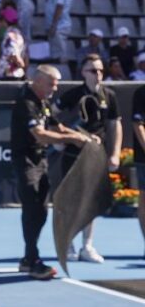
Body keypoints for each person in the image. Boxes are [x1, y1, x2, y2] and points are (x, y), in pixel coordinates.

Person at [12, 65, 92, 280]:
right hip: (26, 162)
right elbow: (40, 135)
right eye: (51, 83)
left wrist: (83, 136)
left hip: (41, 161)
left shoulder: (43, 103)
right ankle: (32, 259)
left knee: (41, 210)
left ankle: (29, 259)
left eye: (56, 84)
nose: (55, 88)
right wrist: (74, 139)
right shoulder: (26, 103)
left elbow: (57, 127)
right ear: (38, 81)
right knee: (32, 209)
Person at [55, 54, 123, 263]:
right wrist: (62, 137)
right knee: (71, 200)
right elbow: (53, 116)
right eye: (93, 71)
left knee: (91, 202)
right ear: (83, 73)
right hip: (73, 154)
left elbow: (114, 124)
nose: (98, 74)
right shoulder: (72, 95)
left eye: (101, 70)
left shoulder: (109, 95)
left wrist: (115, 153)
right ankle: (68, 246)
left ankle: (87, 246)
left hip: (97, 155)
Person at [45, 0, 74, 64]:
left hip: (59, 26)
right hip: (61, 24)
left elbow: (59, 6)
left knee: (59, 54)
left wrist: (53, 25)